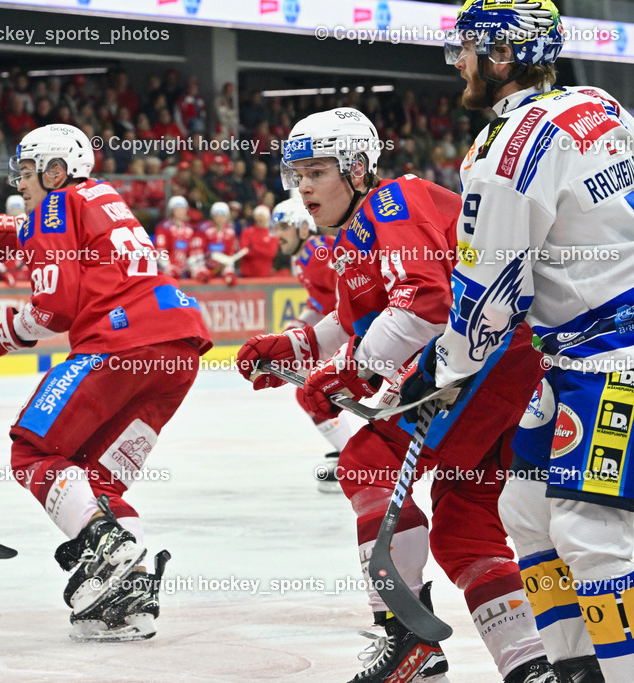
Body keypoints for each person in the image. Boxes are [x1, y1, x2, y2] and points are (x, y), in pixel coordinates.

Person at [237, 109, 555, 683]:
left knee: (365, 463)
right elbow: (352, 319)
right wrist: (292, 346)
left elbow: (425, 301)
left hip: (483, 359)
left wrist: (352, 374)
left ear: (357, 169)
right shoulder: (361, 232)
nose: (302, 185)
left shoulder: (392, 202)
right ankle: (530, 664)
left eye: (316, 170)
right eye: (295, 173)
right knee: (466, 529)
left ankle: (405, 638)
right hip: (512, 365)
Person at [402, 2, 634, 680]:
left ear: (502, 56)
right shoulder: (598, 104)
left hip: (610, 358)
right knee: (525, 508)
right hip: (576, 358)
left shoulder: (502, 153)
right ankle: (574, 668)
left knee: (592, 534)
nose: (459, 64)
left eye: (466, 51)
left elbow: (488, 298)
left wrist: (436, 371)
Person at [0, 123, 212, 642]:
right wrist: (9, 231)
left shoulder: (57, 204)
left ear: (56, 171)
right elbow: (72, 245)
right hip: (176, 353)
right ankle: (132, 596)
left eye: (27, 173)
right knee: (96, 483)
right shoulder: (101, 198)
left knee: (33, 453)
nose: (20, 184)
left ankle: (107, 543)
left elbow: (55, 309)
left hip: (120, 346)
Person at [268, 196, 352, 492]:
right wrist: (290, 333)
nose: (277, 235)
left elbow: (349, 291)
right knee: (310, 393)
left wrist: (343, 339)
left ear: (304, 228)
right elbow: (320, 302)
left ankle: (351, 457)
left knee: (310, 392)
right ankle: (350, 455)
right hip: (348, 329)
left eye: (283, 228)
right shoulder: (304, 259)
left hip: (357, 330)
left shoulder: (318, 254)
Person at [191, 202, 239, 286]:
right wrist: (201, 271)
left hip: (219, 269)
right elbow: (196, 254)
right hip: (203, 268)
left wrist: (228, 271)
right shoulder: (203, 229)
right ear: (212, 216)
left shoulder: (230, 232)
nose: (220, 219)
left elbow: (230, 256)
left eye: (223, 216)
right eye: (217, 216)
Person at [153, 195, 198, 279]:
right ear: (172, 211)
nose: (181, 211)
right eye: (178, 209)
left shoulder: (189, 229)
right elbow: (160, 251)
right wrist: (168, 267)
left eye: (183, 208)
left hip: (185, 271)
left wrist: (194, 268)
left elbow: (191, 252)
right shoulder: (163, 227)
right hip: (167, 271)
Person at [238, 204, 278, 278]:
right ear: (255, 217)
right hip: (247, 274)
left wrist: (254, 247)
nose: (261, 219)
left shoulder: (272, 234)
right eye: (259, 216)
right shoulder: (246, 232)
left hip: (265, 274)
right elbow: (244, 251)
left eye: (263, 216)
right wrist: (263, 251)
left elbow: (271, 253)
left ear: (267, 218)